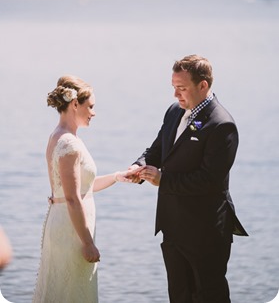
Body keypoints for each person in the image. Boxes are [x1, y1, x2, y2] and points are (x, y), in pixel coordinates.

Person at [130, 55, 248, 303]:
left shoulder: (222, 125)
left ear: (203, 85)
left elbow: (208, 180)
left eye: (182, 89)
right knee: (179, 296)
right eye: (174, 88)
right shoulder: (175, 111)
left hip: (206, 230)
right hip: (172, 226)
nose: (176, 95)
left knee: (209, 296)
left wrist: (162, 180)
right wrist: (139, 166)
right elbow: (157, 150)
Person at [32, 75, 136, 303]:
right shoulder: (69, 143)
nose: (94, 112)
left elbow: (82, 189)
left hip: (65, 223)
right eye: (90, 106)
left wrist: (117, 177)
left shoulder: (59, 136)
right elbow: (72, 198)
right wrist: (88, 243)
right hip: (72, 231)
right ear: (74, 104)